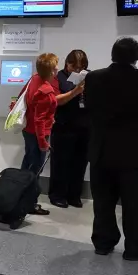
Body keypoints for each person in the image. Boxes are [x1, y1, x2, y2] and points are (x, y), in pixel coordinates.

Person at [84, 37, 138, 261]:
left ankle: (103, 243)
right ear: (136, 57)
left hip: (103, 152)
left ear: (112, 55)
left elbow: (90, 109)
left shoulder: (94, 78)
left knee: (103, 202)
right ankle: (135, 249)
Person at [19, 53, 60, 216]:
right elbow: (39, 120)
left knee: (27, 164)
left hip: (27, 130)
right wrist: (43, 142)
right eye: (55, 66)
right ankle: (30, 203)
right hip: (37, 134)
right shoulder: (46, 91)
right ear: (51, 71)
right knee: (35, 170)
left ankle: (18, 195)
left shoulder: (34, 79)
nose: (57, 68)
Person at [49, 50, 90, 209]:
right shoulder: (58, 77)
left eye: (82, 67)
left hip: (84, 126)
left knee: (80, 163)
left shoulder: (89, 76)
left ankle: (74, 195)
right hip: (63, 126)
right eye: (75, 67)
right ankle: (57, 195)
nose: (78, 70)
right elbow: (57, 101)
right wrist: (76, 91)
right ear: (67, 64)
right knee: (61, 163)